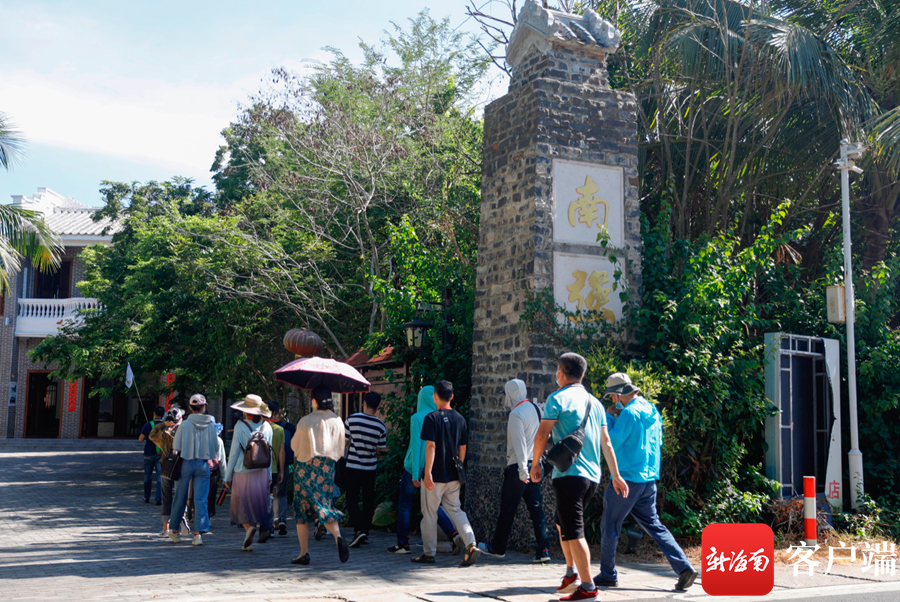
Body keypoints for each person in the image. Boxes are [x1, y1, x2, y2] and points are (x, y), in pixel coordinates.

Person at [530, 353, 629, 601]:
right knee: (562, 523)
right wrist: (615, 475)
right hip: (592, 477)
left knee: (574, 531)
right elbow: (606, 442)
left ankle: (588, 588)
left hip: (570, 475)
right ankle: (571, 573)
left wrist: (535, 464)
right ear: (582, 375)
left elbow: (542, 434)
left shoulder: (557, 398)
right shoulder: (595, 403)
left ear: (561, 373)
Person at [594, 373, 699, 592]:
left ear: (618, 393)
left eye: (612, 396)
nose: (611, 400)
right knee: (654, 525)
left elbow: (611, 440)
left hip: (626, 479)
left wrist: (609, 418)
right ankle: (684, 568)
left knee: (610, 524)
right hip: (648, 479)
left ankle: (607, 574)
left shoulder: (628, 413)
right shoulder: (651, 409)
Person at [478, 379, 550, 563]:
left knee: (507, 509)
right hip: (536, 464)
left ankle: (498, 547)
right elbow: (545, 435)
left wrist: (522, 470)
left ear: (510, 394)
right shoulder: (537, 409)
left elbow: (519, 444)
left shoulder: (516, 414)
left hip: (519, 467)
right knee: (536, 509)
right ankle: (544, 550)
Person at [389, 385, 462, 555]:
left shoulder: (417, 418)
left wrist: (415, 473)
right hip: (433, 467)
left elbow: (416, 446)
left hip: (413, 467)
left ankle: (403, 544)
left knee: (405, 505)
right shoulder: (439, 416)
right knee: (433, 506)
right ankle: (453, 534)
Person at [416, 380, 480, 566]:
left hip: (435, 476)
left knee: (430, 513)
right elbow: (462, 447)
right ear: (452, 396)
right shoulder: (460, 419)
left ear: (435, 396)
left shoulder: (431, 418)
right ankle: (470, 543)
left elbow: (431, 446)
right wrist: (458, 465)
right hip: (453, 475)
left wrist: (428, 472)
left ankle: (429, 553)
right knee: (456, 510)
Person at [290, 386, 349, 565]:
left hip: (305, 469)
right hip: (327, 470)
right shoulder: (337, 421)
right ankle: (338, 536)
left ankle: (304, 553)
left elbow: (294, 446)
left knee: (302, 510)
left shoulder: (306, 421)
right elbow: (341, 446)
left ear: (314, 401)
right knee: (323, 504)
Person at [224, 394, 274, 552]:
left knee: (241, 504)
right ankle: (250, 537)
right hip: (262, 471)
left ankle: (249, 528)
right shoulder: (267, 427)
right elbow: (269, 453)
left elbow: (234, 453)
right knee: (256, 503)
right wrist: (269, 475)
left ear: (246, 411)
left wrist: (227, 475)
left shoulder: (240, 426)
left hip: (243, 469)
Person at [168, 394, 218, 546]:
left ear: (190, 407)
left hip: (185, 463)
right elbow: (215, 447)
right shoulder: (211, 425)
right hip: (203, 464)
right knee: (201, 499)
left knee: (180, 497)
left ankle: (174, 531)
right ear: (204, 407)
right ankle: (198, 534)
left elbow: (176, 446)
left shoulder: (184, 425)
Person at [344, 391, 387, 548]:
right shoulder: (380, 426)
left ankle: (358, 530)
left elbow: (345, 442)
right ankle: (365, 532)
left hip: (353, 466)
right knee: (368, 500)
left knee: (352, 499)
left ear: (365, 403)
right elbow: (378, 449)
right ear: (377, 406)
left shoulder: (352, 419)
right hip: (370, 467)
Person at [150, 406, 186, 537]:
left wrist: (163, 425)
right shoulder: (185, 431)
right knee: (181, 496)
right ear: (180, 419)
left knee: (166, 497)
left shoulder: (164, 433)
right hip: (182, 466)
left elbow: (152, 435)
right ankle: (182, 520)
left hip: (167, 466)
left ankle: (166, 528)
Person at [259, 401, 285, 543]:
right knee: (271, 496)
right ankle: (271, 525)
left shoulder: (259, 427)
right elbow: (281, 452)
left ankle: (264, 526)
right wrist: (282, 470)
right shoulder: (279, 429)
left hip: (259, 468)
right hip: (273, 469)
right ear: (275, 413)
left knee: (261, 498)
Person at [270, 401, 296, 535]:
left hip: (265, 465)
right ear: (279, 412)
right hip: (284, 464)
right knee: (282, 493)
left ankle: (272, 519)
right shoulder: (289, 427)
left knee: (268, 494)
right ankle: (282, 519)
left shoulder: (263, 427)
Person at [138, 406, 165, 505]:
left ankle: (146, 497)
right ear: (163, 414)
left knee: (147, 476)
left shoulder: (148, 425)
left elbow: (140, 439)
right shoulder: (165, 425)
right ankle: (158, 498)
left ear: (154, 414)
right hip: (161, 454)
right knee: (160, 477)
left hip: (148, 453)